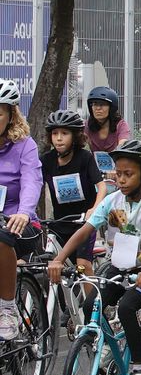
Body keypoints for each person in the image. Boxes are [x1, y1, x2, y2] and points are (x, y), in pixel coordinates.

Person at [51, 140, 141, 375]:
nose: (121, 179)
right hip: (117, 268)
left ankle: (140, 369)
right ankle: (111, 346)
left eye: (128, 174)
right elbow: (84, 231)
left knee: (128, 308)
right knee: (90, 306)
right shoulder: (111, 201)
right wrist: (60, 259)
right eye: (118, 173)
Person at [40, 109, 107, 279]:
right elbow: (34, 186)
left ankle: (92, 305)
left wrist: (94, 209)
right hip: (59, 223)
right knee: (50, 264)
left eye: (64, 133)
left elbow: (102, 186)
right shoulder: (46, 160)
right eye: (55, 133)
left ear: (75, 136)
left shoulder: (84, 158)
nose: (59, 138)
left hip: (84, 223)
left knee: (82, 266)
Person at [0, 81, 43, 340]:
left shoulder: (25, 146)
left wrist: (25, 211)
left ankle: (7, 309)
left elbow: (31, 181)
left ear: (10, 116)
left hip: (20, 222)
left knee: (2, 236)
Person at [85, 86, 131, 155]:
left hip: (116, 162)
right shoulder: (87, 125)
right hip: (92, 164)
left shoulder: (121, 125)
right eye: (94, 104)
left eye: (102, 104)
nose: (98, 108)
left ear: (112, 107)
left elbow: (123, 145)